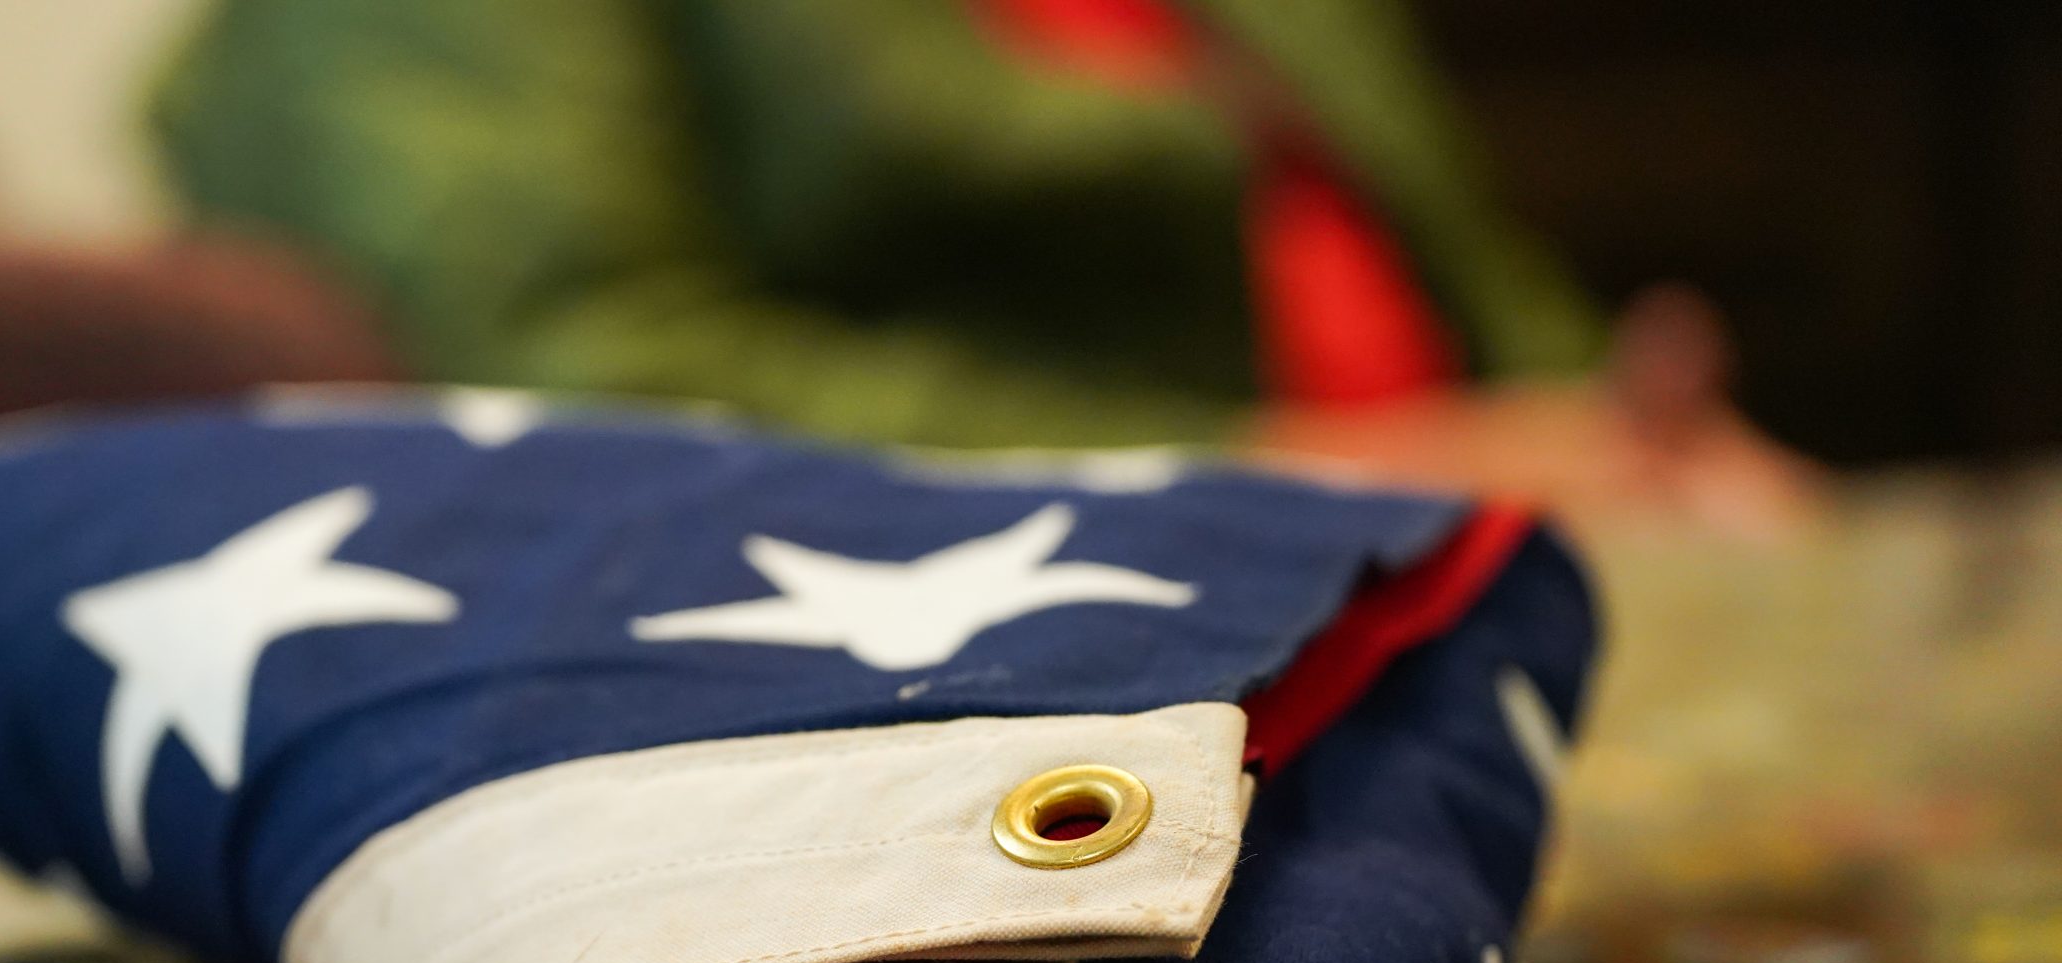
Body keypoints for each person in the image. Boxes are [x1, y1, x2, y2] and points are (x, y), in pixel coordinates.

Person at [153, 0, 1810, 528]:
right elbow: (554, 358)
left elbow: (1464, 282)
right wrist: (1303, 472)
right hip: (992, 721)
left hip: (1485, 659)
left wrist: (1635, 445)